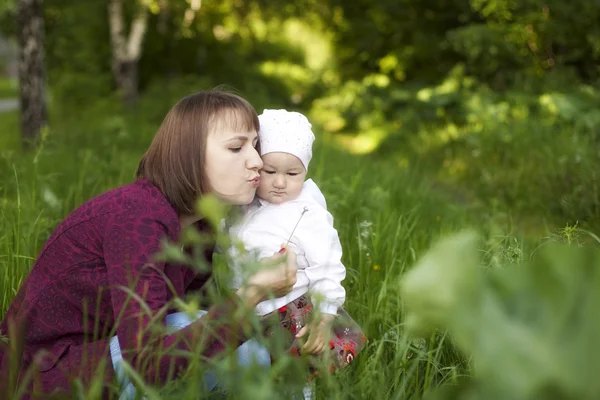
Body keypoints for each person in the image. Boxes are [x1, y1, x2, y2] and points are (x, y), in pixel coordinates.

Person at [0, 90, 299, 400]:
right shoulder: (136, 217)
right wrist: (252, 294)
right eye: (237, 147)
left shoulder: (200, 224)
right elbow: (146, 362)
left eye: (255, 145)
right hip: (42, 376)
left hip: (109, 357)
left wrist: (288, 319)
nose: (256, 162)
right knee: (245, 355)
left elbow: (199, 313)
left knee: (250, 345)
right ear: (189, 155)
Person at [226, 109, 366, 385]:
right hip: (250, 308)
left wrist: (326, 317)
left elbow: (326, 267)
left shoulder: (306, 214)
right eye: (269, 171)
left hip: (290, 313)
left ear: (305, 172)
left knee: (295, 374)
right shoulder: (246, 203)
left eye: (292, 173)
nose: (280, 183)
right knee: (256, 375)